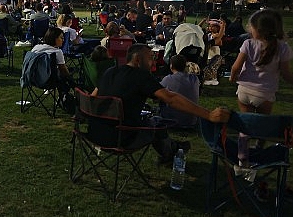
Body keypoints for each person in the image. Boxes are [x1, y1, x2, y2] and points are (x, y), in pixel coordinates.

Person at [94, 43, 230, 163]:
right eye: (150, 58)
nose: (153, 63)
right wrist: (208, 115)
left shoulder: (110, 71)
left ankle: (174, 147)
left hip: (97, 134)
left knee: (149, 119)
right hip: (122, 138)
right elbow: (171, 98)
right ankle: (172, 150)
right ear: (137, 59)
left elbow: (93, 97)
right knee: (156, 122)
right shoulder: (141, 76)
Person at [229, 9, 293, 167]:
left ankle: (242, 158)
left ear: (258, 30)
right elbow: (286, 74)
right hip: (265, 94)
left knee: (245, 126)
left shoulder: (247, 44)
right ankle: (258, 152)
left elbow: (235, 67)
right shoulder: (283, 48)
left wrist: (232, 78)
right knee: (262, 128)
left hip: (244, 91)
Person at [159, 55, 200, 129]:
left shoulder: (168, 79)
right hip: (192, 121)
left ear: (171, 66)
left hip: (172, 121)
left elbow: (157, 95)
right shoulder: (195, 79)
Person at [30, 27, 73, 93]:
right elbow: (63, 69)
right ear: (54, 39)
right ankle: (64, 97)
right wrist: (71, 79)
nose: (63, 40)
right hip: (48, 81)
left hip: (31, 78)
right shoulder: (57, 52)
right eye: (61, 38)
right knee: (64, 77)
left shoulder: (36, 48)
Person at [199, 17, 226, 85]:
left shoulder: (216, 36)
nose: (211, 28)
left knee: (212, 66)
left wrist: (222, 26)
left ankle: (212, 79)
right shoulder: (208, 35)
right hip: (208, 56)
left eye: (213, 26)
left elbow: (220, 35)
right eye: (210, 26)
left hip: (215, 56)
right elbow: (198, 29)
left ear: (217, 28)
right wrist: (202, 21)